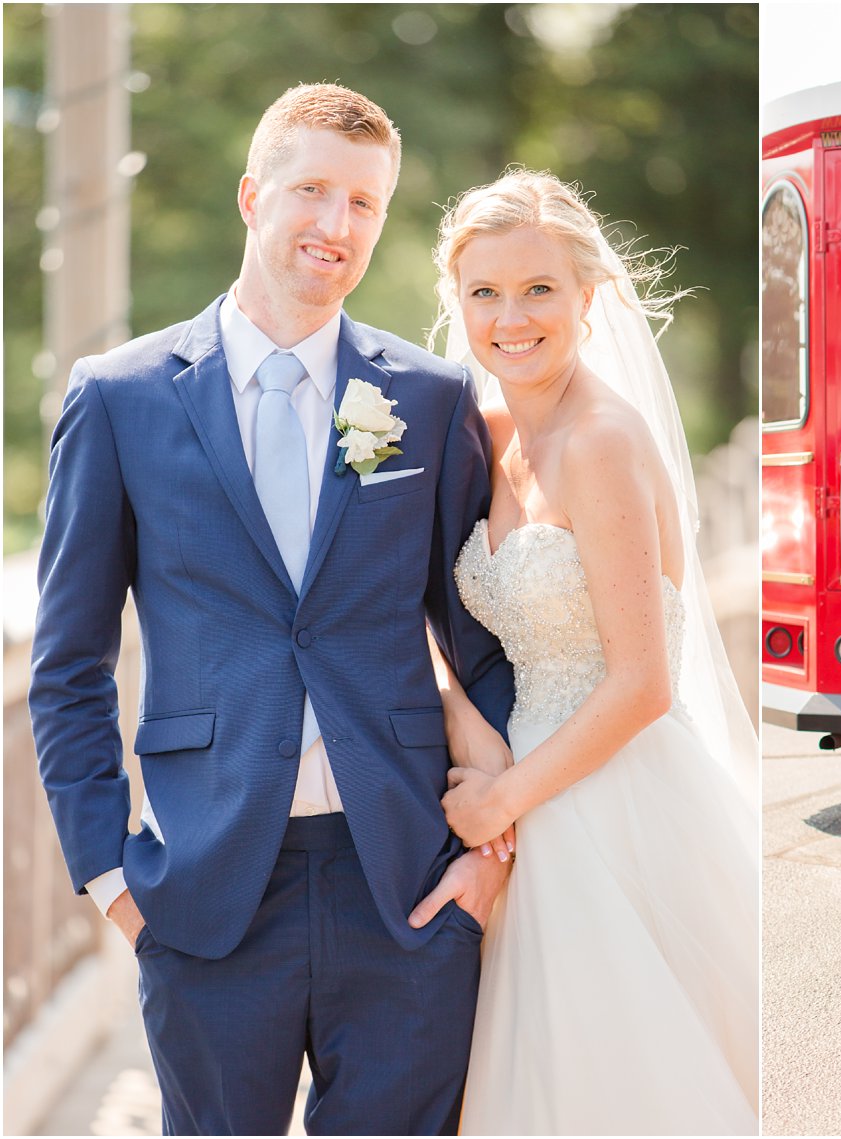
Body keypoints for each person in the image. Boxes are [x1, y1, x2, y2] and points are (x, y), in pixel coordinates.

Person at [28, 84, 513, 1134]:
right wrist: (114, 877)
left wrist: (485, 858)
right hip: (204, 893)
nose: (336, 227)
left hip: (403, 887)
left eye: (365, 204)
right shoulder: (120, 396)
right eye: (312, 191)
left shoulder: (429, 400)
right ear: (253, 196)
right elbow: (66, 663)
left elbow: (485, 646)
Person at [424, 169, 760, 1134]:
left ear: (589, 295)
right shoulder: (485, 435)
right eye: (483, 292)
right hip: (523, 773)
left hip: (612, 794)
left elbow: (643, 683)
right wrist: (464, 722)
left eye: (537, 290)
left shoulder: (603, 441)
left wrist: (502, 797)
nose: (510, 317)